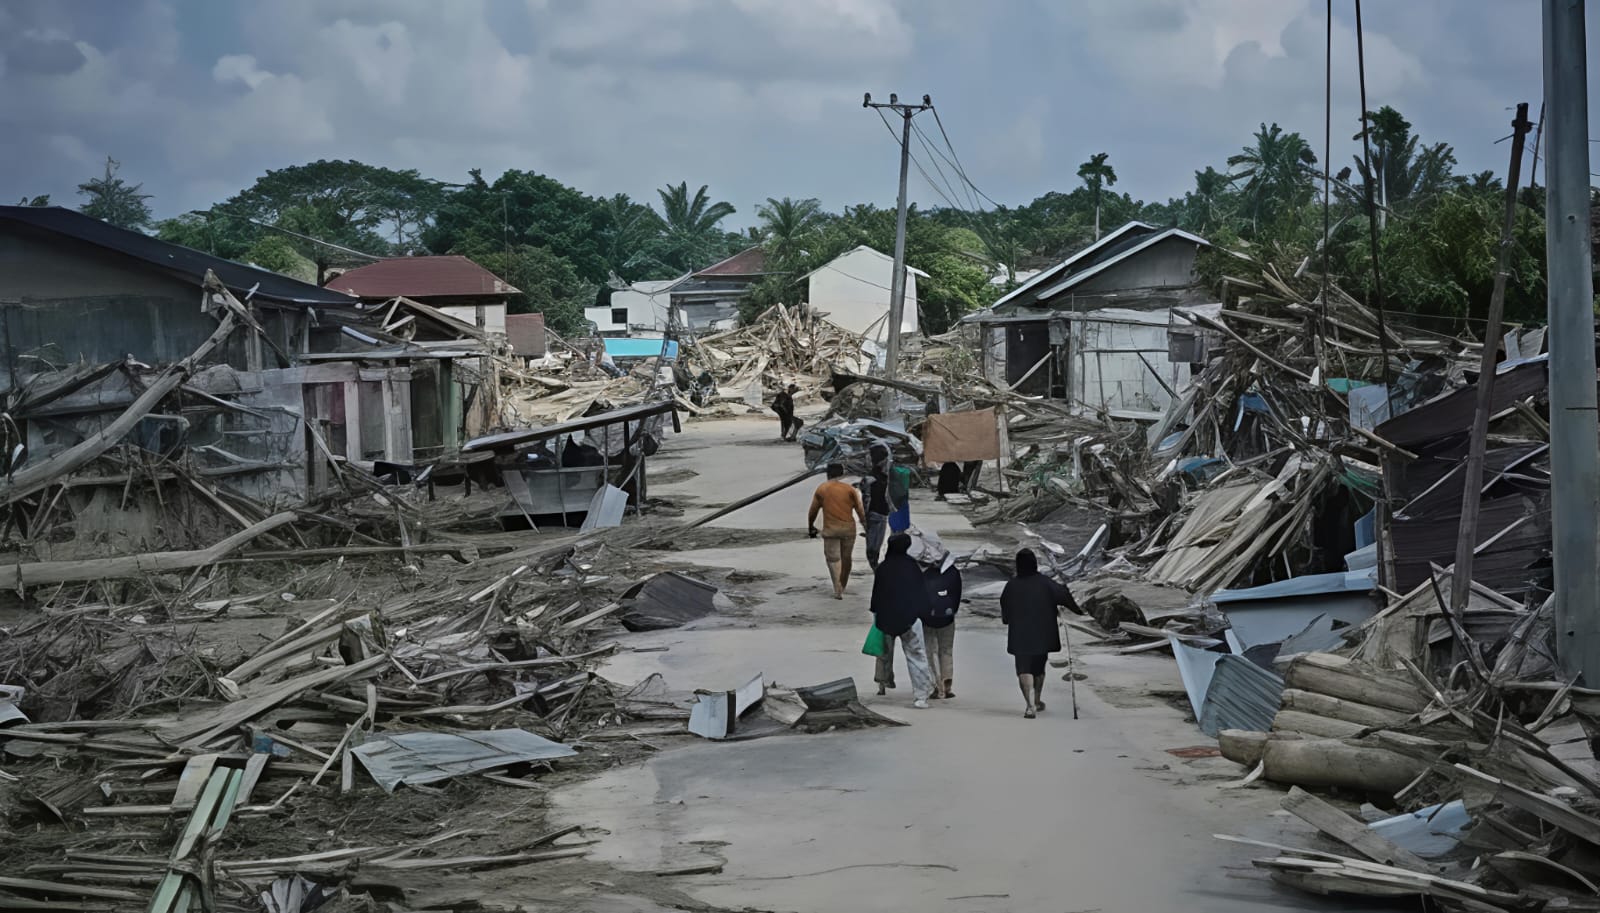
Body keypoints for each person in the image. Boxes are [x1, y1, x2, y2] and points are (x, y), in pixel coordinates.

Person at [1000, 548, 1079, 719]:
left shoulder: (1012, 585)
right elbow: (1065, 596)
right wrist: (1080, 611)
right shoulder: (1046, 583)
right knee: (1038, 669)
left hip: (1020, 634)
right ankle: (1036, 699)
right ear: (1034, 564)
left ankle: (1030, 706)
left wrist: (1007, 619)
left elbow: (1005, 609)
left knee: (1023, 669)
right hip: (1043, 634)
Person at [869, 534, 934, 708]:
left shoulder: (883, 568)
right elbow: (921, 592)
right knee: (916, 657)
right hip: (909, 619)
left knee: (884, 654)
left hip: (886, 619)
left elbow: (877, 594)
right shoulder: (912, 566)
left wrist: (876, 614)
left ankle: (882, 684)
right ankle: (921, 696)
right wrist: (925, 613)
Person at [807, 463, 867, 600]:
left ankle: (837, 588)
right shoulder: (850, 489)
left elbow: (813, 511)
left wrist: (810, 526)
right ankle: (843, 585)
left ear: (828, 474)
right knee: (846, 558)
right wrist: (866, 527)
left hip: (831, 529)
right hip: (848, 529)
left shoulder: (822, 489)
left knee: (833, 559)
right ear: (842, 474)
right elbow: (860, 511)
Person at [921, 551, 963, 699]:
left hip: (928, 619)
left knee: (930, 652)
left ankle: (936, 686)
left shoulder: (925, 574)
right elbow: (957, 597)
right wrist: (952, 612)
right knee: (946, 651)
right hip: (947, 619)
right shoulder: (953, 573)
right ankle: (947, 685)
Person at [862, 444, 892, 570]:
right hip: (878, 514)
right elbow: (866, 498)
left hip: (875, 513)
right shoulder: (878, 477)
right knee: (874, 548)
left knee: (873, 546)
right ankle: (876, 570)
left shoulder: (873, 476)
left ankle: (875, 568)